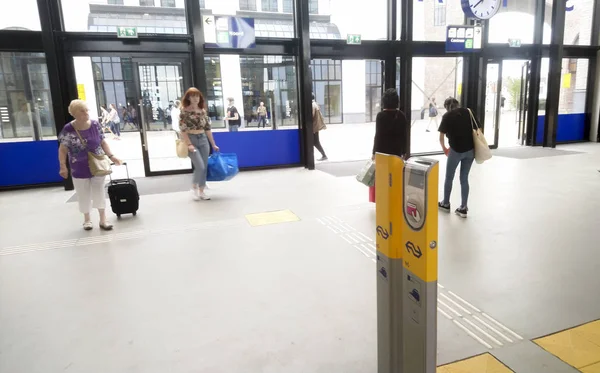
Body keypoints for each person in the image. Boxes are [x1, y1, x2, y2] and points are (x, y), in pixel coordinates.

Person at [58, 99, 122, 231]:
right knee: (83, 193)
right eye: (82, 111)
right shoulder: (68, 129)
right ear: (74, 113)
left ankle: (103, 219)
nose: (86, 113)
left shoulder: (94, 124)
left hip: (98, 165)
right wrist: (63, 166)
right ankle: (87, 219)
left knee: (99, 190)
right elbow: (63, 149)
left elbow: (103, 142)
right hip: (78, 167)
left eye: (87, 110)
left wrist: (112, 156)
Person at [178, 88, 220, 201]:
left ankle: (201, 191)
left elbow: (207, 129)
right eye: (193, 96)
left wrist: (213, 144)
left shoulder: (202, 111)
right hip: (191, 139)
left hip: (203, 139)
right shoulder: (184, 112)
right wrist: (189, 144)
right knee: (200, 166)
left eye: (197, 96)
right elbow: (182, 130)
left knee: (204, 166)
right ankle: (194, 187)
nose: (195, 98)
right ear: (188, 98)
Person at [438, 97, 476, 218]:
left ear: (446, 107)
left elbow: (441, 137)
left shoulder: (447, 116)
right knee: (464, 178)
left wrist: (444, 149)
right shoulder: (468, 112)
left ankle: (445, 203)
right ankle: (463, 208)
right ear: (458, 104)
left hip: (455, 151)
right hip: (470, 151)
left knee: (449, 177)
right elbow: (477, 128)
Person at [372, 88, 408, 159]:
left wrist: (374, 153)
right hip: (397, 151)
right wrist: (404, 151)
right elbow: (404, 135)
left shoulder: (380, 116)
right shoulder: (401, 115)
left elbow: (378, 136)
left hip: (382, 152)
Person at [312, 94, 328, 161]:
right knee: (315, 142)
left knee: (315, 142)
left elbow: (311, 116)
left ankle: (324, 155)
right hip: (316, 126)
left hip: (314, 127)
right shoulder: (315, 104)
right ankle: (323, 155)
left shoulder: (312, 105)